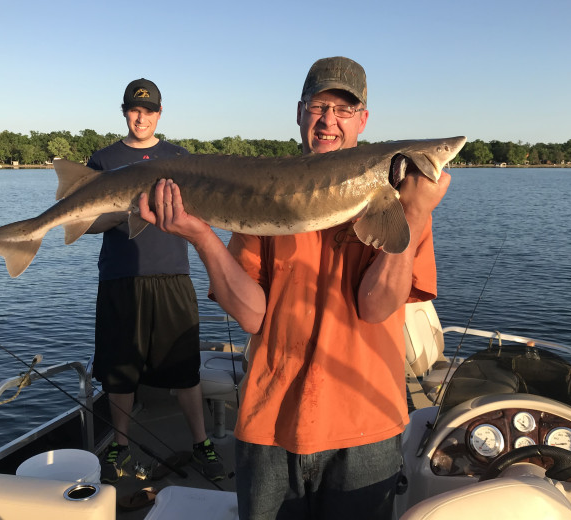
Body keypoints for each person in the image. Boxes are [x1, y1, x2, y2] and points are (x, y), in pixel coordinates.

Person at [139, 57, 451, 518]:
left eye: (344, 110)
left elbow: (376, 306)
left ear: (363, 120)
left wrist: (414, 214)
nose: (329, 121)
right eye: (319, 106)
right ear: (300, 112)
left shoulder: (404, 207)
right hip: (270, 425)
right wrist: (199, 234)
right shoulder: (266, 197)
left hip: (366, 429)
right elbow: (251, 316)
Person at [87, 78, 225, 483]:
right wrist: (125, 209)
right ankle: (121, 445)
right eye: (134, 109)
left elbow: (199, 215)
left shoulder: (180, 159)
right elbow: (88, 224)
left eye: (148, 110)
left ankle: (202, 442)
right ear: (124, 111)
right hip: (120, 278)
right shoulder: (103, 160)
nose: (141, 116)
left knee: (184, 369)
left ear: (159, 114)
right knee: (119, 372)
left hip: (172, 276)